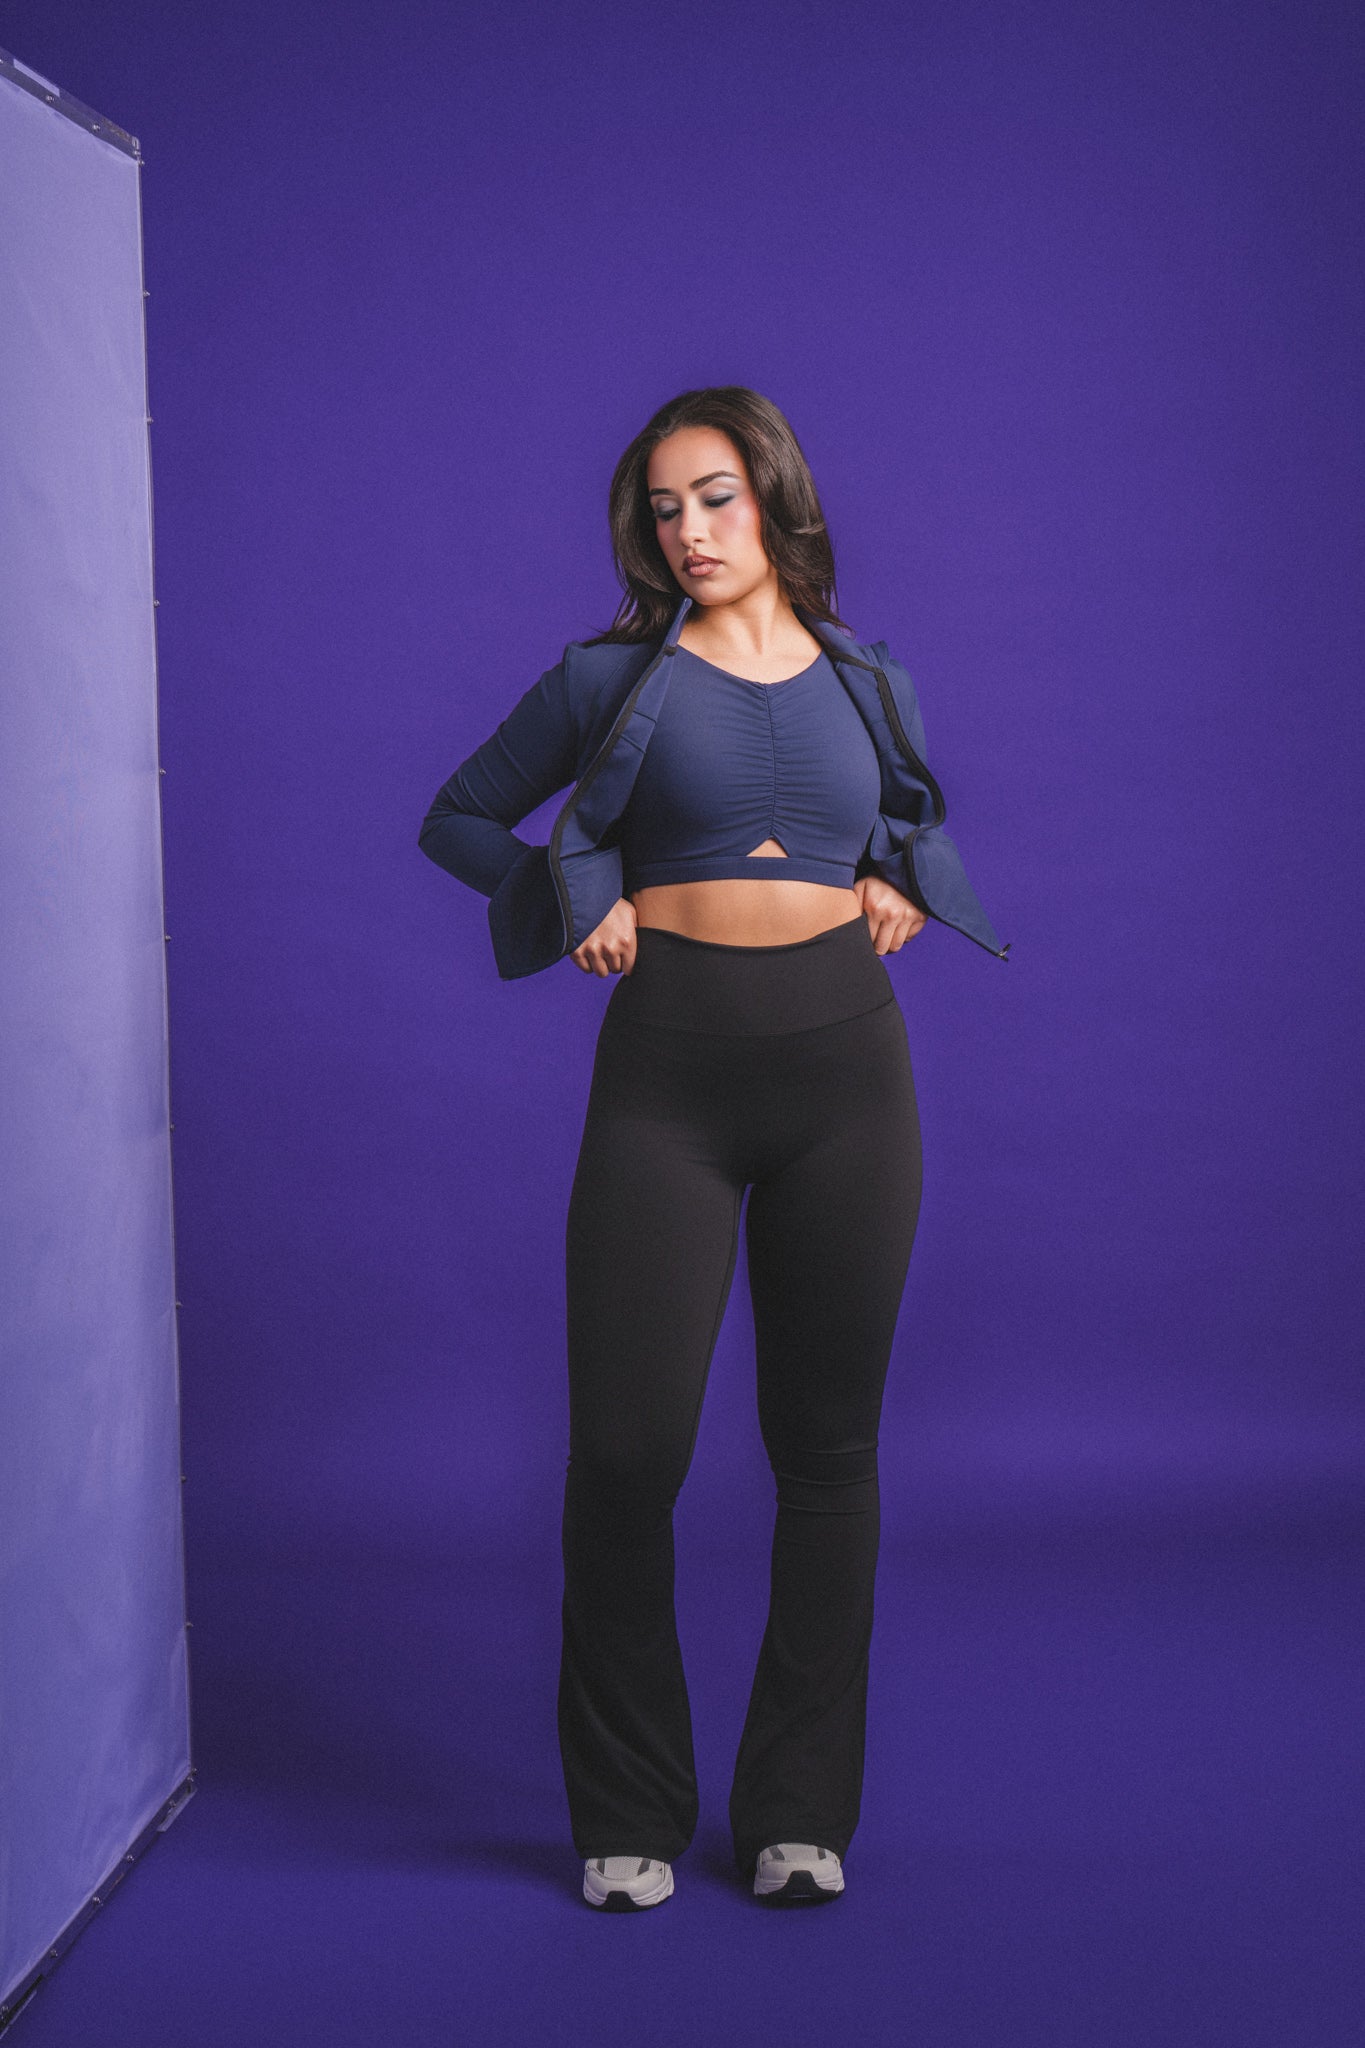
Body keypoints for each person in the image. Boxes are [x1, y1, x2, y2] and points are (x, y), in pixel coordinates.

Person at [418, 386, 1008, 1912]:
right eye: (663, 508)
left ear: (775, 498)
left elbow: (904, 820)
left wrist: (896, 878)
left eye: (715, 497)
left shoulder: (868, 677)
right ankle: (627, 1809)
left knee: (828, 1454)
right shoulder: (609, 679)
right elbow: (460, 818)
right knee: (627, 1455)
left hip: (848, 1081)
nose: (688, 530)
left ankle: (797, 1813)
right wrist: (580, 894)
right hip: (665, 1085)